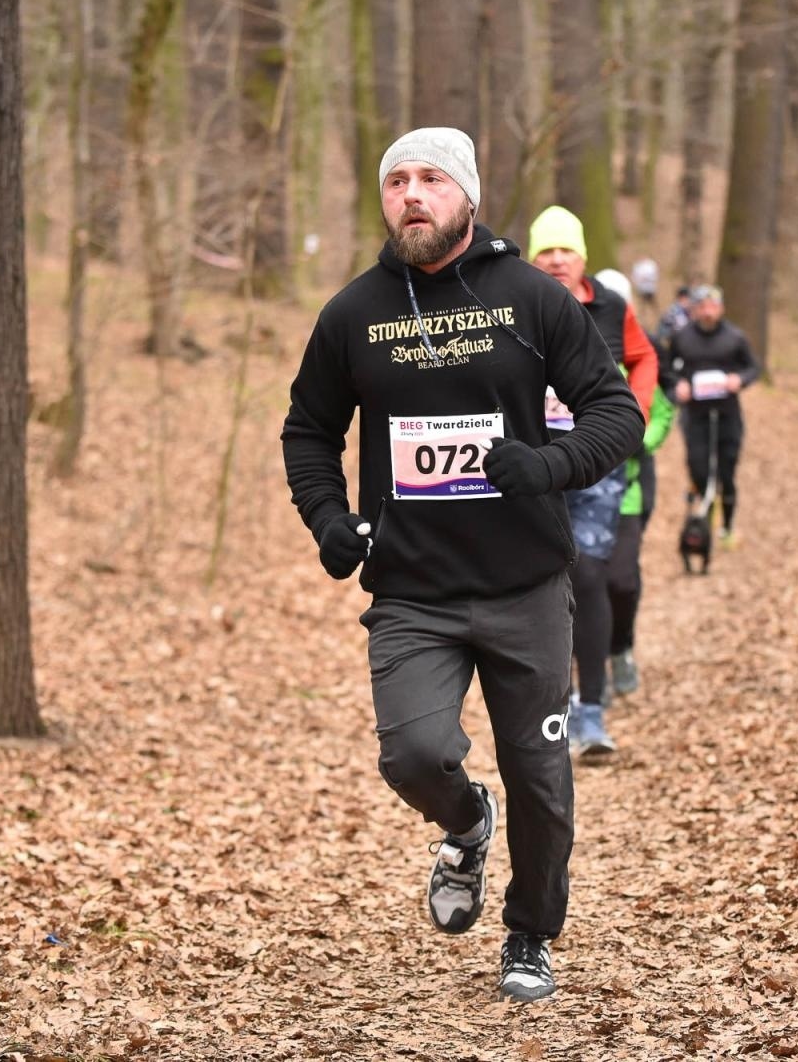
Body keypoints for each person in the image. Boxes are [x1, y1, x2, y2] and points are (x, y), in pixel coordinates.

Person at [281, 128, 644, 1003]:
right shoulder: (352, 314)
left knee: (542, 780)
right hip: (413, 591)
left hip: (524, 586)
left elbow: (616, 410)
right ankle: (466, 822)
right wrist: (329, 518)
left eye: (432, 179)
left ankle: (528, 934)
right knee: (413, 755)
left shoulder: (530, 298)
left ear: (468, 196)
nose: (412, 194)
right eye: (397, 180)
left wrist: (550, 466)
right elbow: (308, 431)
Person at [525, 213, 657, 757]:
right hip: (533, 461)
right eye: (546, 250)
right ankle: (547, 712)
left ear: (581, 257)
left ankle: (592, 712)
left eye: (565, 250)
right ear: (532, 258)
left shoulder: (611, 306)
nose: (556, 259)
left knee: (594, 574)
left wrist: (637, 414)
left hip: (599, 460)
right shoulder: (512, 300)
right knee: (538, 579)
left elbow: (644, 357)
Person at [590, 269, 677, 699]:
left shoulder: (636, 357)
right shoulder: (567, 353)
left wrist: (639, 439)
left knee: (620, 580)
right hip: (575, 491)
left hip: (629, 490)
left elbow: (662, 411)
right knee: (582, 581)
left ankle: (620, 648)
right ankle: (588, 672)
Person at [668, 285, 761, 542]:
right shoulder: (682, 337)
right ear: (695, 310)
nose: (708, 312)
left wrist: (739, 380)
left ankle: (728, 527)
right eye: (702, 307)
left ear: (721, 309)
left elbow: (753, 368)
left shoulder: (735, 337)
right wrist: (678, 384)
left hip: (727, 414)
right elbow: (667, 368)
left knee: (726, 471)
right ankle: (703, 523)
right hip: (695, 415)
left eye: (713, 306)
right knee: (698, 468)